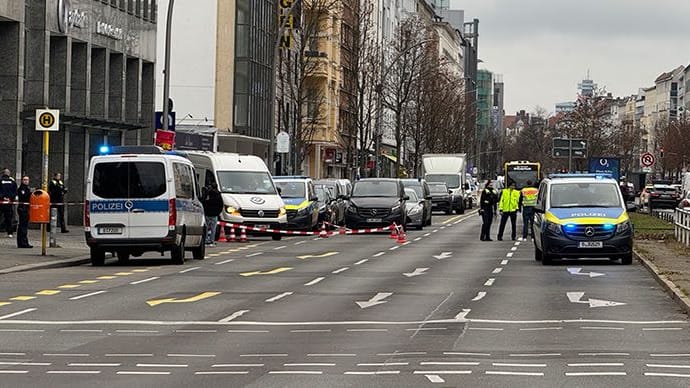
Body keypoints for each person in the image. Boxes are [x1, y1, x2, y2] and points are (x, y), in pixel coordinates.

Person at [0, 168, 17, 238]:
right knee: (9, 218)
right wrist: (10, 198)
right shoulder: (12, 181)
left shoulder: (0, 181)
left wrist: (3, 197)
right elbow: (15, 191)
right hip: (9, 202)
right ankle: (10, 232)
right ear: (8, 173)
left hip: (1, 202)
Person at [16, 175, 32, 248]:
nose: (26, 181)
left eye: (27, 180)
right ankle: (22, 243)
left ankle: (24, 242)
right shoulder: (21, 189)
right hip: (23, 208)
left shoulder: (27, 188)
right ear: (22, 181)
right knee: (22, 226)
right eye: (24, 180)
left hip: (26, 208)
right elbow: (24, 196)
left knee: (24, 226)